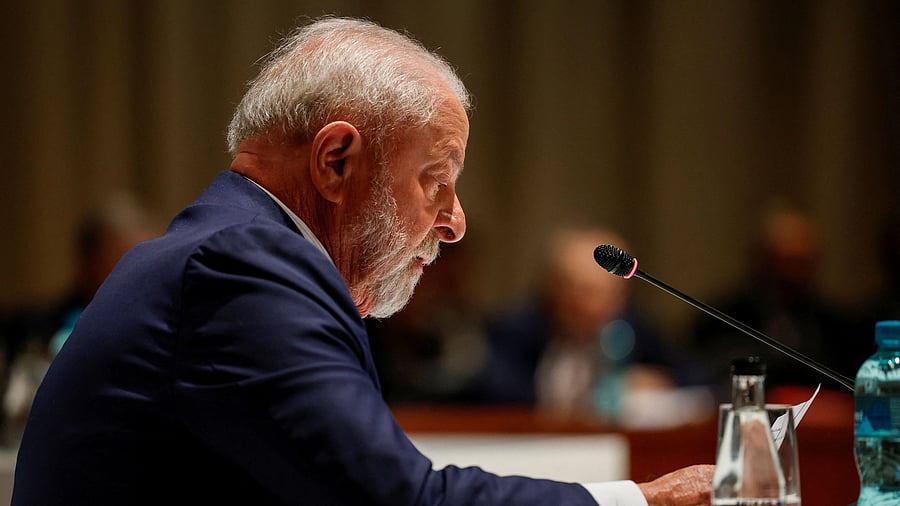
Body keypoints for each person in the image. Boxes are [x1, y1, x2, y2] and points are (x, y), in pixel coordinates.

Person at [12, 16, 712, 505]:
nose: (456, 222)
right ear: (336, 160)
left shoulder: (231, 253)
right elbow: (397, 499)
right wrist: (642, 501)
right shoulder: (240, 268)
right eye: (435, 179)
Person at [474, 226, 713, 427]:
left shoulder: (637, 329)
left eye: (603, 294)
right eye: (578, 291)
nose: (589, 306)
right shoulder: (514, 330)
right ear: (552, 289)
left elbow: (702, 383)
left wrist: (662, 382)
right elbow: (493, 396)